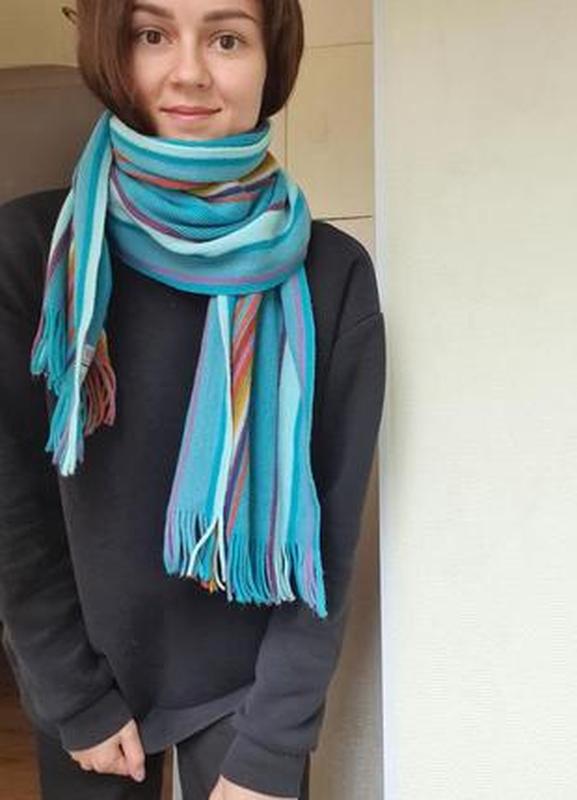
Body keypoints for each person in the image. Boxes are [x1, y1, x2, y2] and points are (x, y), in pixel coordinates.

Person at [0, 0, 386, 798]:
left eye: (226, 38)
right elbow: (11, 511)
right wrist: (73, 697)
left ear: (273, 57)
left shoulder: (333, 274)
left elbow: (330, 536)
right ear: (112, 51)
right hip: (87, 686)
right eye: (151, 35)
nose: (188, 72)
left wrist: (272, 744)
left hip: (251, 693)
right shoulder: (29, 255)